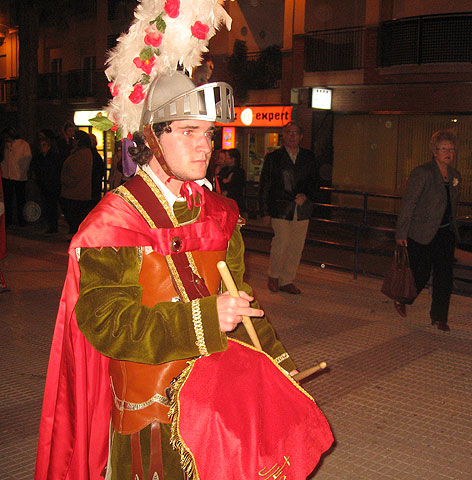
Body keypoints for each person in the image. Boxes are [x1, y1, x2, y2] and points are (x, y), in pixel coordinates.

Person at [34, 68, 333, 478]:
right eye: (189, 131)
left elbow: (241, 300)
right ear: (152, 138)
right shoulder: (114, 222)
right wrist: (206, 318)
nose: (204, 146)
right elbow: (106, 323)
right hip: (152, 421)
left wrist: (278, 366)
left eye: (208, 134)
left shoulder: (219, 214)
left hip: (220, 410)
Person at [394, 130, 462, 332]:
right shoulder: (422, 173)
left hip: (445, 233)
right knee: (420, 273)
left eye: (451, 149)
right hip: (422, 232)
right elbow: (409, 204)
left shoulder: (455, 175)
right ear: (434, 151)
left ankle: (440, 317)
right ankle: (403, 298)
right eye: (444, 149)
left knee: (444, 276)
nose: (448, 153)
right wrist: (401, 233)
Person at [259, 121, 318, 294]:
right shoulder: (273, 158)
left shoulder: (308, 157)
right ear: (283, 135)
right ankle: (274, 275)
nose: (292, 136)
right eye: (288, 133)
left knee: (296, 246)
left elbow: (315, 182)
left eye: (295, 133)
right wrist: (265, 211)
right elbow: (265, 185)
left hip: (301, 208)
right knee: (281, 242)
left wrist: (306, 195)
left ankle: (287, 280)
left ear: (301, 137)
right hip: (280, 207)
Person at [60, 130, 95, 234]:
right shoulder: (79, 153)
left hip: (76, 193)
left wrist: (65, 180)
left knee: (75, 218)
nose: (72, 141)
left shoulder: (82, 154)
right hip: (76, 192)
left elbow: (76, 174)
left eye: (75, 139)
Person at [32, 129, 63, 234]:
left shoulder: (54, 157)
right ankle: (50, 225)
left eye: (44, 145)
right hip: (43, 185)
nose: (42, 147)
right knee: (47, 205)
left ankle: (53, 226)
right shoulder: (39, 158)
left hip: (53, 185)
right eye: (41, 145)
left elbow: (56, 170)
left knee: (52, 206)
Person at [1, 127, 32, 227]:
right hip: (7, 176)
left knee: (20, 199)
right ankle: (8, 220)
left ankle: (21, 220)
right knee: (7, 199)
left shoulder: (23, 144)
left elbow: (27, 159)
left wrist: (22, 171)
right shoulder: (5, 145)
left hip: (19, 177)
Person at [218, 147, 247, 213]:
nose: (225, 159)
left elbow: (236, 187)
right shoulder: (224, 170)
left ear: (233, 159)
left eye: (227, 157)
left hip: (234, 202)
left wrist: (226, 182)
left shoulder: (239, 172)